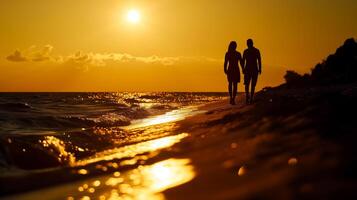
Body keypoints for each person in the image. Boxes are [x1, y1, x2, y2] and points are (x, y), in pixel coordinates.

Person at [243, 39, 261, 104]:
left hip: (253, 69)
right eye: (247, 43)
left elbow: (259, 60)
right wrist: (243, 68)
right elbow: (243, 61)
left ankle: (250, 98)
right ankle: (248, 97)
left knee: (252, 84)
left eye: (248, 43)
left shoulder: (256, 51)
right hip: (248, 69)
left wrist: (260, 68)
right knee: (247, 84)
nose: (248, 44)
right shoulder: (246, 51)